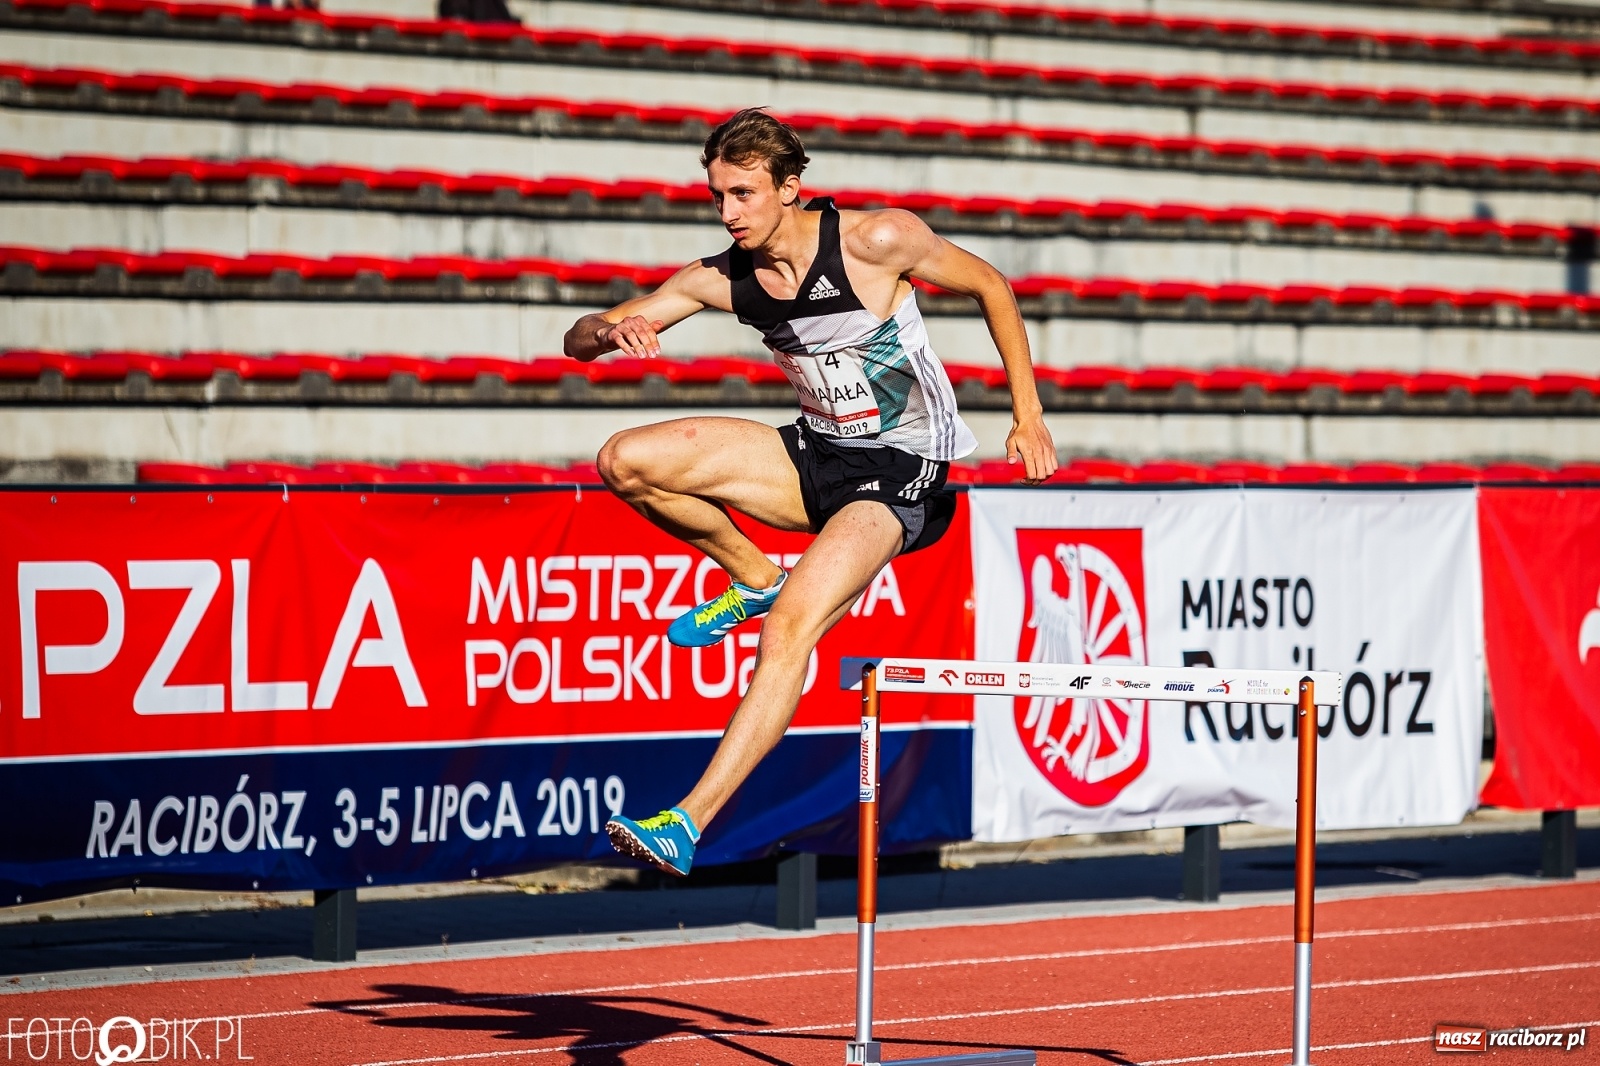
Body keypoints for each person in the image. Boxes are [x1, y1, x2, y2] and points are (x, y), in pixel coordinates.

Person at [562, 107, 1058, 876]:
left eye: (742, 195)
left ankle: (686, 822)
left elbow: (991, 286)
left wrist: (1027, 417)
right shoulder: (722, 278)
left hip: (898, 474)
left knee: (789, 631)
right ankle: (754, 574)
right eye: (718, 195)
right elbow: (582, 338)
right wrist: (608, 330)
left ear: (791, 188)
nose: (727, 213)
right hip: (815, 454)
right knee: (624, 457)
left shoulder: (875, 241)